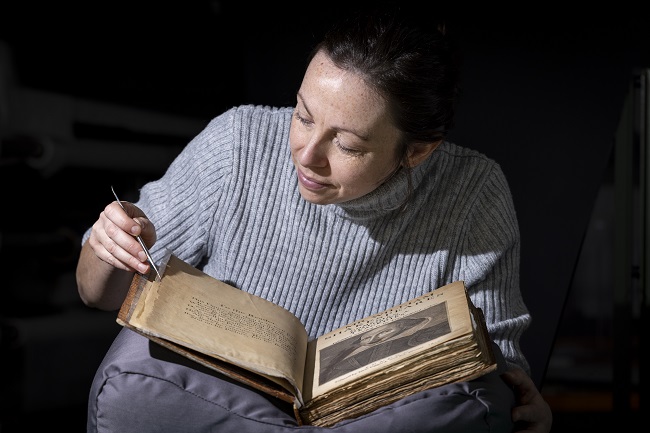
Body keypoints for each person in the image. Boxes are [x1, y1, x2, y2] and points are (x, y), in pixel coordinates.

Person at [76, 4, 552, 433]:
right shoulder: (239, 140)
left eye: (346, 145)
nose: (306, 155)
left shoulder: (472, 190)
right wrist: (108, 244)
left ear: (418, 151)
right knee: (136, 370)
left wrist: (518, 401)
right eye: (303, 116)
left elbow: (492, 358)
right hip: (227, 409)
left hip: (369, 419)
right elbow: (99, 294)